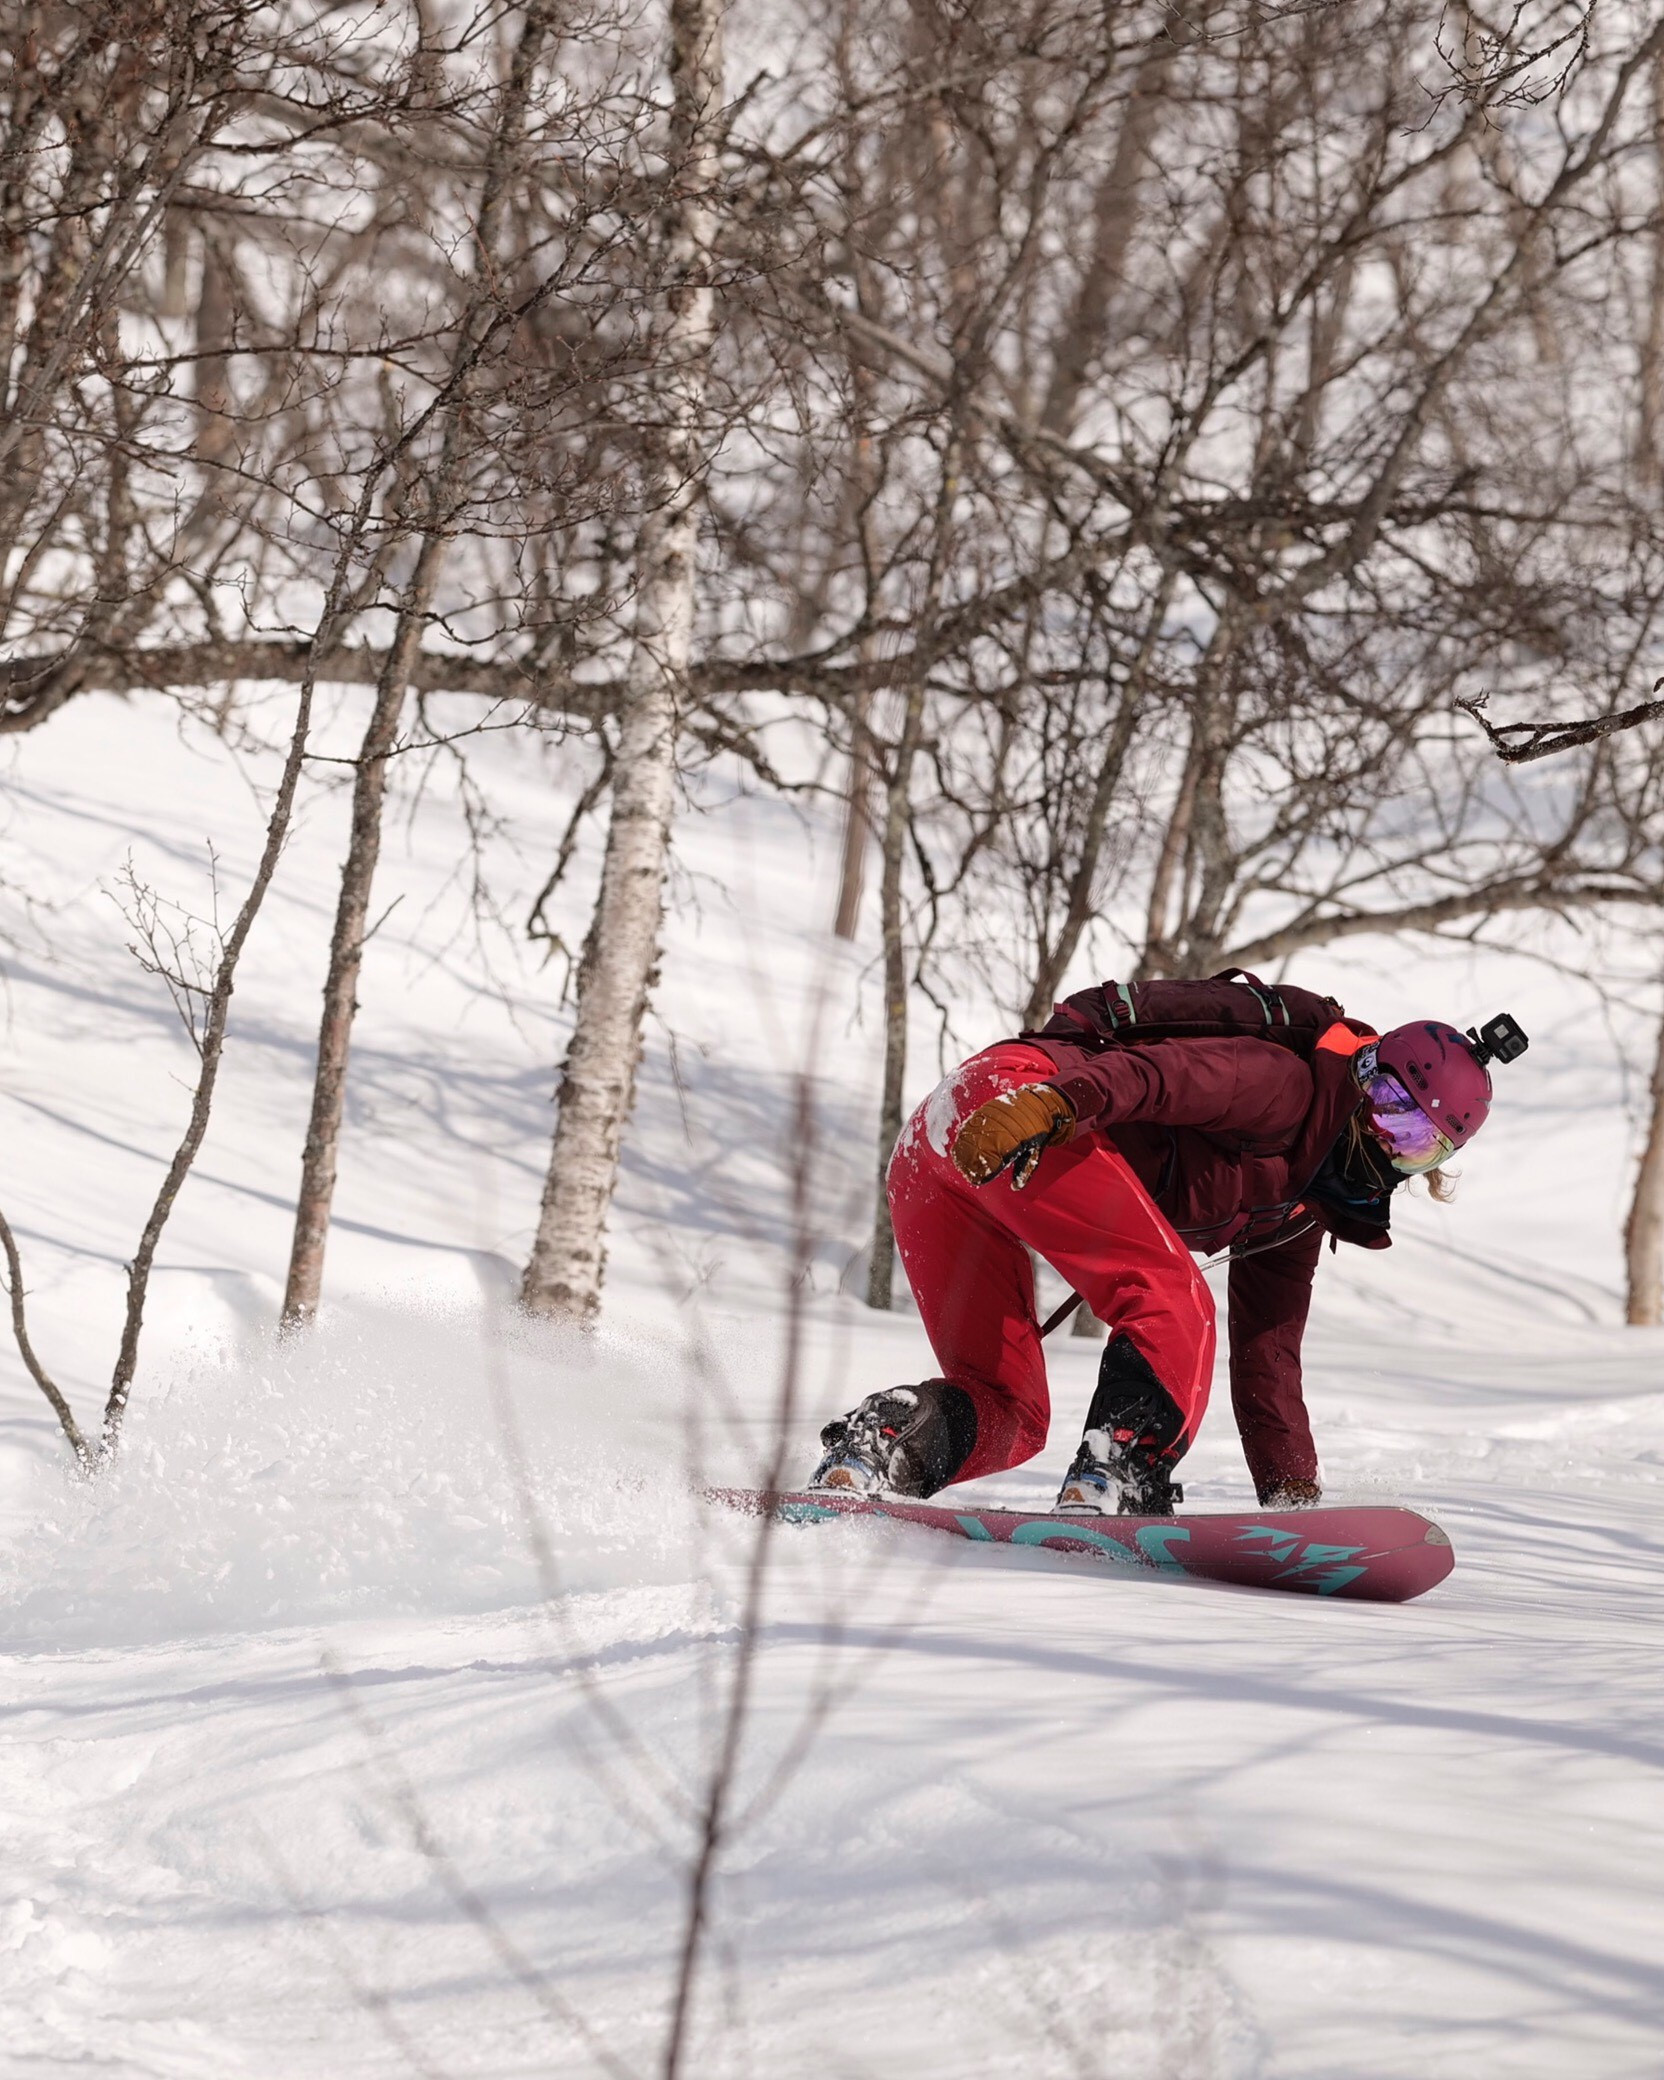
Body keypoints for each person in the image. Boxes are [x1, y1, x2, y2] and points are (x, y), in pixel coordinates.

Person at [810, 972, 1527, 1515]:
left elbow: (1268, 1357)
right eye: (1392, 1108)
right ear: (1365, 1076)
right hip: (1020, 1106)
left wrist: (1292, 1499)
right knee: (1175, 1301)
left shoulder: (1303, 1205)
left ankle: (886, 1445)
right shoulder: (1288, 1086)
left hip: (931, 1153)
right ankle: (1113, 1475)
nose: (1387, 1139)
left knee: (1012, 1415)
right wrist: (1054, 1106)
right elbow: (1156, 1076)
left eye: (1418, 1144)